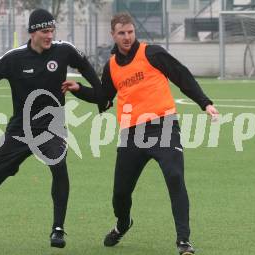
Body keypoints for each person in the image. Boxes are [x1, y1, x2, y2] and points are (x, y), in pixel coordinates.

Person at [62, 12, 219, 255]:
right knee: (120, 194)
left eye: (130, 32)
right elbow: (103, 99)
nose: (127, 37)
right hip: (132, 135)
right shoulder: (111, 66)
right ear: (113, 35)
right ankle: (123, 223)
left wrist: (204, 102)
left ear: (134, 32)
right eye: (121, 33)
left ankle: (184, 241)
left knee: (175, 178)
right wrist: (78, 89)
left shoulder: (152, 53)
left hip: (164, 126)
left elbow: (182, 75)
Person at [0, 8, 102, 249]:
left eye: (51, 30)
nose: (49, 35)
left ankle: (58, 229)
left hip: (52, 128)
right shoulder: (14, 58)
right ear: (32, 33)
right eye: (44, 31)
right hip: (20, 131)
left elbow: (84, 64)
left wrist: (97, 88)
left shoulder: (63, 50)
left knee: (59, 168)